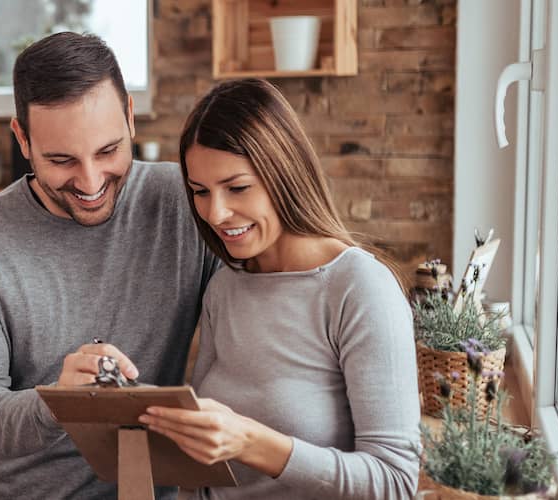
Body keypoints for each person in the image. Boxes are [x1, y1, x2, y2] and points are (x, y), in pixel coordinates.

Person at [0, 32, 221, 499]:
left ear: (129, 116)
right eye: (61, 159)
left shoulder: (185, 204)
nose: (90, 181)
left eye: (108, 151)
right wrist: (61, 404)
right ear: (22, 138)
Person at [138, 78, 420, 499]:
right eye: (200, 192)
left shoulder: (358, 288)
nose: (216, 213)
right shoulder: (226, 286)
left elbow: (395, 483)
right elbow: (201, 473)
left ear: (283, 173)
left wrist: (255, 443)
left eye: (237, 188)